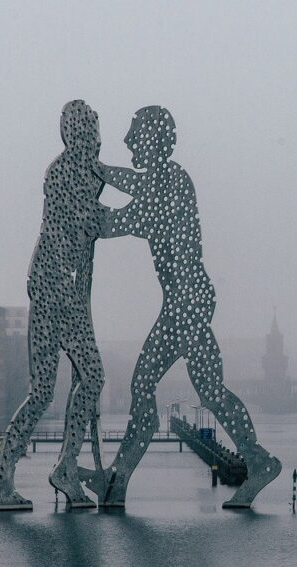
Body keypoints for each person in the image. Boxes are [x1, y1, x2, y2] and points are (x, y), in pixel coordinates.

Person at [81, 106, 281, 508]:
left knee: (162, 388)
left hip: (186, 301)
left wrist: (90, 198)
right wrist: (98, 173)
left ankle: (117, 480)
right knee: (201, 389)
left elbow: (126, 218)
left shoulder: (172, 182)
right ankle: (117, 481)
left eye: (134, 133)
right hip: (183, 301)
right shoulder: (160, 180)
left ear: (152, 139)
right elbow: (134, 187)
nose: (128, 141)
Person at [0, 100, 118, 510]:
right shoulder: (65, 172)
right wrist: (139, 218)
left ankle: (8, 482)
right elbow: (86, 220)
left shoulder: (84, 170)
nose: (97, 136)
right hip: (56, 292)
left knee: (46, 391)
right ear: (77, 132)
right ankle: (58, 469)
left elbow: (90, 218)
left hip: (54, 289)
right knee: (89, 377)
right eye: (91, 129)